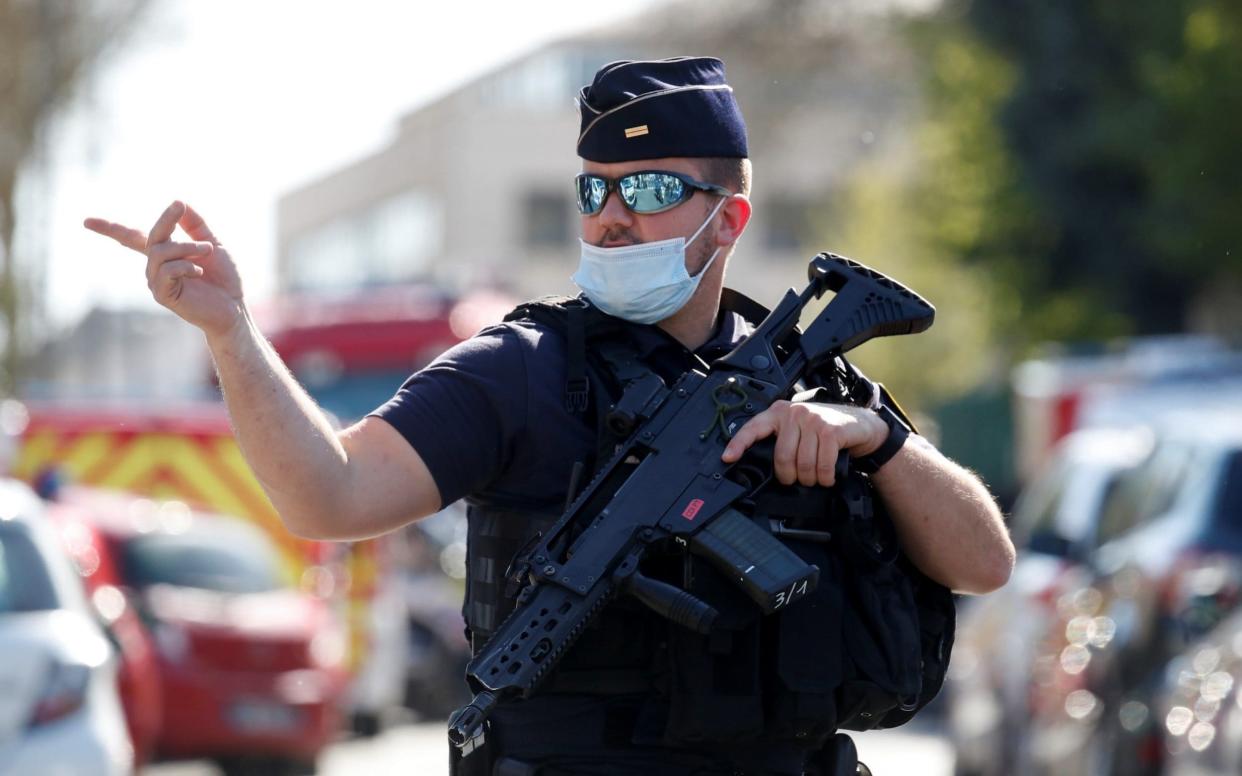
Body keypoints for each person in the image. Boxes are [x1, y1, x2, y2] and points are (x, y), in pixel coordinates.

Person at [87, 56, 1014, 775]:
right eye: (592, 190)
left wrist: (880, 441)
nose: (611, 216)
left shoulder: (812, 373)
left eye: (648, 190)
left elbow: (984, 561)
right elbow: (328, 496)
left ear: (728, 221)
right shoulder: (522, 371)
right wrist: (232, 333)